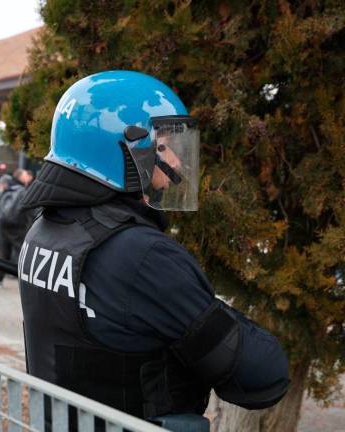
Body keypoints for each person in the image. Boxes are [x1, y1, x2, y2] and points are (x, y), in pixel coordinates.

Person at [15, 71, 289, 428]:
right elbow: (263, 377)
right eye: (162, 147)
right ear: (123, 151)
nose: (175, 162)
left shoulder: (45, 228)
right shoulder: (140, 255)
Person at [0, 169, 34, 289]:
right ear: (21, 177)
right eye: (27, 175)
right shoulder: (23, 191)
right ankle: (26, 282)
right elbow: (30, 211)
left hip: (4, 226)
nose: (29, 177)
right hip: (18, 227)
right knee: (23, 253)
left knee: (4, 253)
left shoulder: (7, 190)